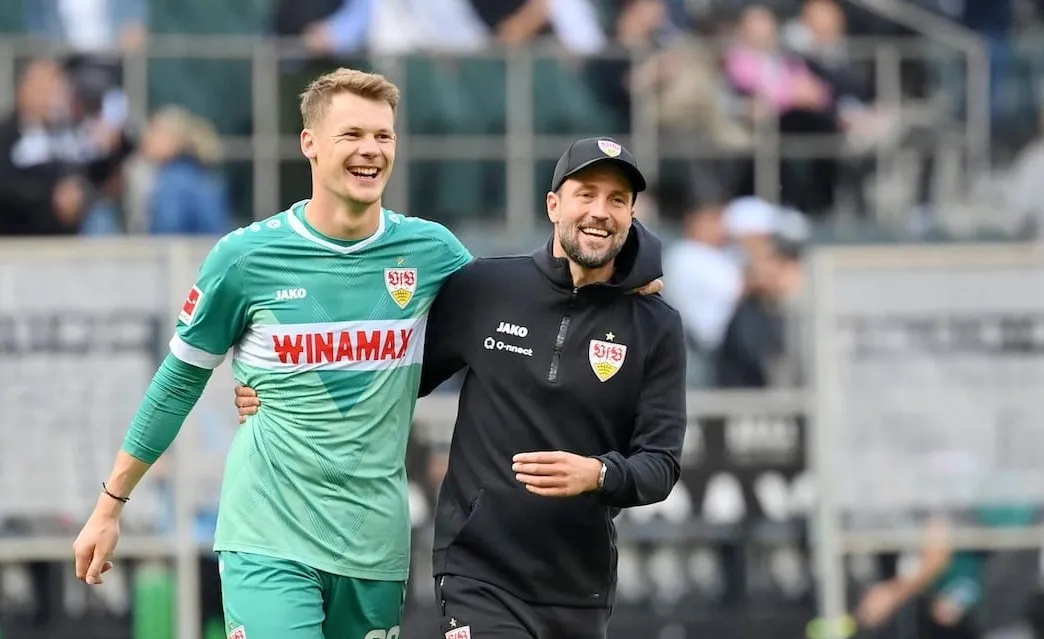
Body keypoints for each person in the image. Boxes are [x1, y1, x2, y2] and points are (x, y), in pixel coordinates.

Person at [72, 67, 661, 639]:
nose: (370, 149)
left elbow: (531, 293)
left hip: (373, 545)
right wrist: (110, 504)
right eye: (351, 134)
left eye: (383, 135)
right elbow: (177, 383)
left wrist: (638, 266)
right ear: (309, 143)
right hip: (268, 532)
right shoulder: (246, 259)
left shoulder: (431, 253)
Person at [236, 137, 687, 638]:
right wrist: (283, 389)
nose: (600, 211)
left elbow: (661, 465)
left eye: (617, 200)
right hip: (476, 571)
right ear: (553, 204)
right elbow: (387, 373)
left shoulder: (657, 326)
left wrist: (598, 474)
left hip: (580, 586)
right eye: (586, 194)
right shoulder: (486, 288)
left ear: (632, 214)